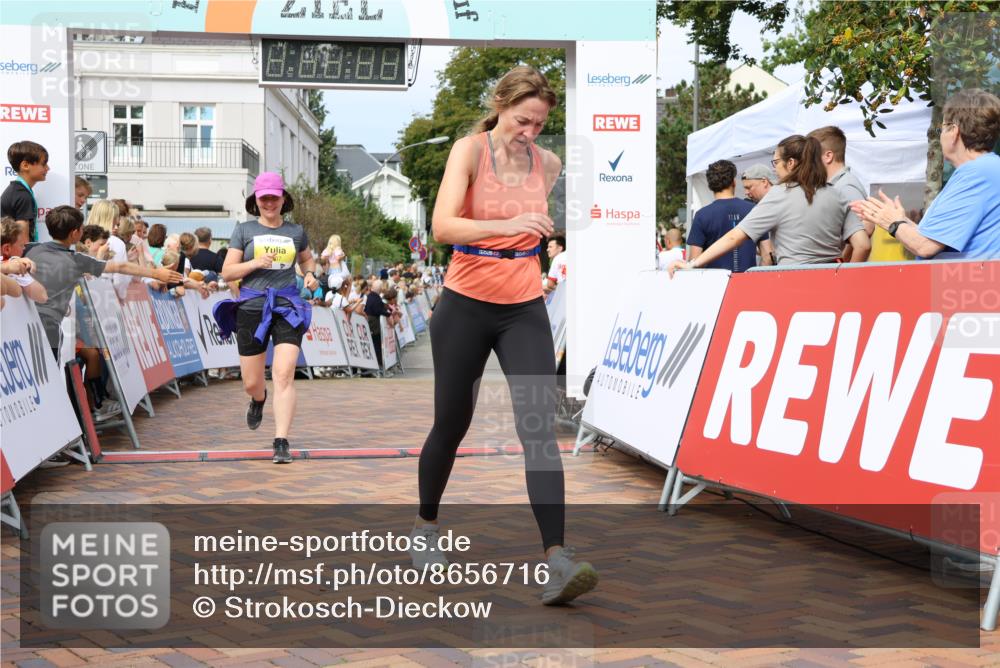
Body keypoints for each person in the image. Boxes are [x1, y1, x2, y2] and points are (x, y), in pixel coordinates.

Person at [413, 65, 597, 605]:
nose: (530, 133)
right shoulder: (469, 151)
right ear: (500, 105)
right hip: (466, 303)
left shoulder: (550, 163)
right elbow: (443, 228)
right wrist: (509, 226)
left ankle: (557, 560)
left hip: (523, 307)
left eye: (540, 124)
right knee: (452, 421)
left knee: (539, 427)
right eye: (522, 121)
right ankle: (425, 529)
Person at [214, 172, 318, 464]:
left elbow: (307, 258)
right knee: (251, 381)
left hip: (287, 306)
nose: (270, 203)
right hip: (251, 307)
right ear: (256, 201)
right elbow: (227, 272)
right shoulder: (244, 230)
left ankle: (281, 440)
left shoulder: (296, 231)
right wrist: (255, 263)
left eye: (275, 197)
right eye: (264, 198)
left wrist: (310, 273)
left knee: (284, 374)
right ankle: (258, 399)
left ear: (284, 199)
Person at [671, 135, 870, 274]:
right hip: (832, 279)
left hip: (794, 281)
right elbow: (863, 245)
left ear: (790, 163)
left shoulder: (781, 194)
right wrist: (845, 277)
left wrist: (694, 264)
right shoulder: (836, 194)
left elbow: (734, 237)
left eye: (776, 162)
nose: (774, 170)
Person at [852, 88, 1000, 259]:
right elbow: (937, 238)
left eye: (942, 129)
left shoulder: (975, 175)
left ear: (954, 131)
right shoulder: (986, 170)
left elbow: (925, 246)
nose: (940, 136)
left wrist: (891, 222)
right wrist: (902, 220)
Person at [25, 205, 181, 359]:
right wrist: (155, 272)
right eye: (81, 228)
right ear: (75, 233)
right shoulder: (76, 260)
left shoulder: (30, 249)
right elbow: (120, 266)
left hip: (26, 321)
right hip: (50, 325)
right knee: (49, 372)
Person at [687, 160, 773, 272]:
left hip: (716, 285)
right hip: (747, 284)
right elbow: (767, 256)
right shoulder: (754, 210)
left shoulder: (701, 215)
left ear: (710, 185)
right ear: (734, 182)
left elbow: (695, 261)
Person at [2, 140, 49, 242]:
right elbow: (22, 241)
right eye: (43, 164)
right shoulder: (22, 195)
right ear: (25, 165)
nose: (47, 168)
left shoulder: (18, 191)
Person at [1, 217, 47, 303]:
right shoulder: (12, 264)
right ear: (6, 249)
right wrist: (22, 272)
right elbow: (42, 296)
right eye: (21, 245)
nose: (24, 248)